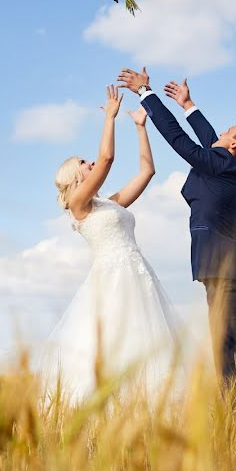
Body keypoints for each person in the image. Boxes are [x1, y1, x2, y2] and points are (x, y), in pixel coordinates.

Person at [117, 67, 236, 396]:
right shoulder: (228, 166)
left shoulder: (224, 166)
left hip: (230, 278)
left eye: (228, 130)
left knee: (232, 358)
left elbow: (179, 140)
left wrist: (146, 94)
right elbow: (210, 141)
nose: (221, 132)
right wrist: (188, 105)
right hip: (229, 276)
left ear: (234, 143)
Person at [41, 85, 183, 403]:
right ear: (73, 175)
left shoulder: (110, 203)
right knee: (115, 344)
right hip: (112, 279)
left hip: (138, 273)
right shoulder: (79, 203)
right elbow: (107, 158)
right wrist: (109, 117)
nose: (90, 163)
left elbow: (148, 171)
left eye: (88, 160)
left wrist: (140, 127)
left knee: (145, 344)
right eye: (83, 162)